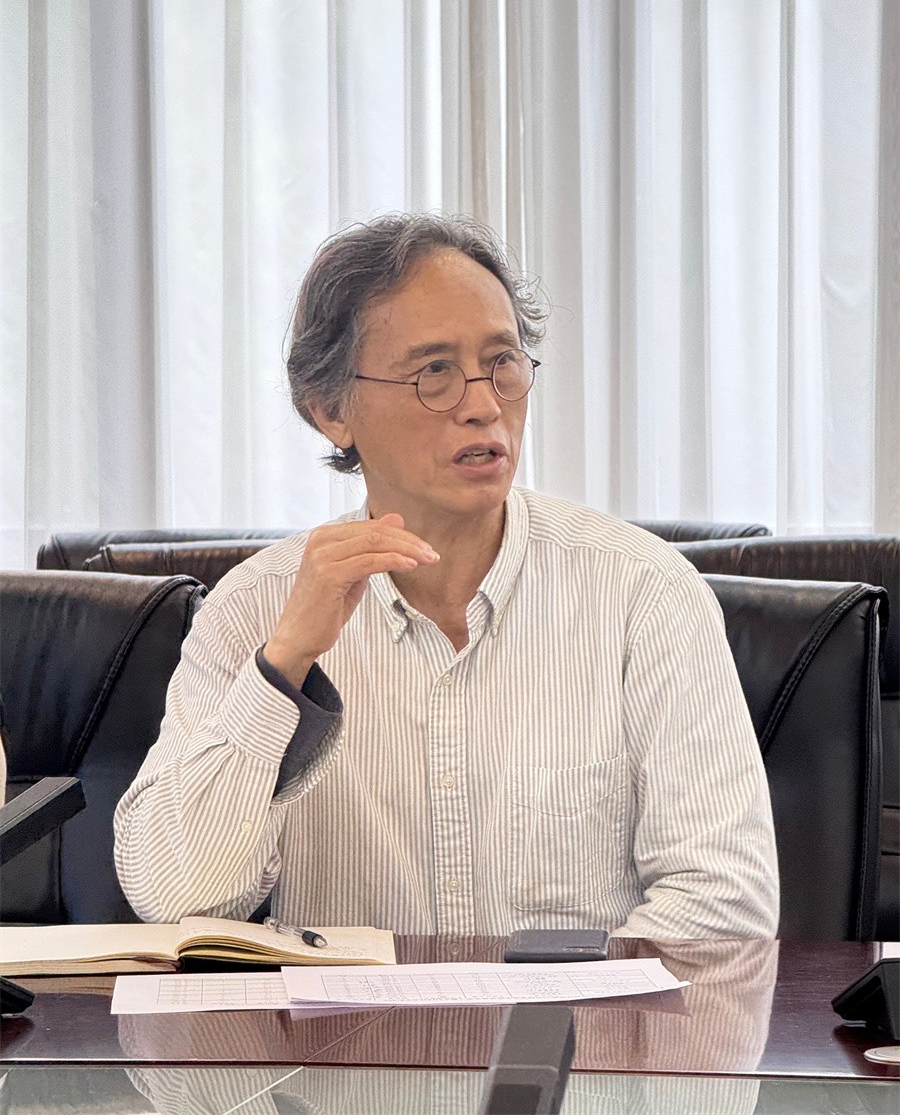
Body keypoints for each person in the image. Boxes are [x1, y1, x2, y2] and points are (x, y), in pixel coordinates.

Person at [114, 213, 779, 939]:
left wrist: (564, 1005)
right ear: (332, 410)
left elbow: (725, 900)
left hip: (577, 1014)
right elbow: (174, 896)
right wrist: (283, 668)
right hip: (343, 1019)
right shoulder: (253, 610)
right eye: (435, 372)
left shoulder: (642, 592)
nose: (485, 406)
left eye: (503, 362)